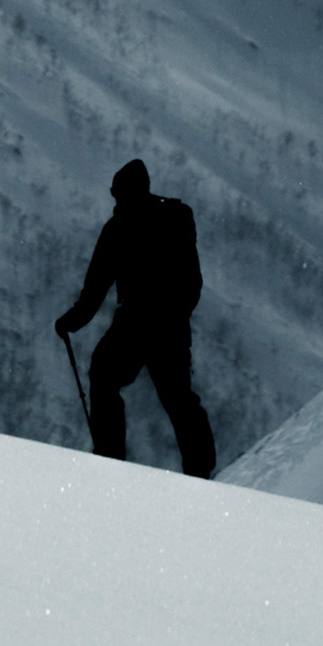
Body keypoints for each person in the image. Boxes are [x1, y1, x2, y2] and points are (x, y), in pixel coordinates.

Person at [55, 159, 213, 476]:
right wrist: (177, 315)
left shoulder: (118, 228)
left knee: (104, 376)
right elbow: (192, 280)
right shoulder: (176, 217)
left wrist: (71, 321)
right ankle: (201, 469)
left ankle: (110, 460)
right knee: (177, 398)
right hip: (168, 325)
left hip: (134, 324)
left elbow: (95, 287)